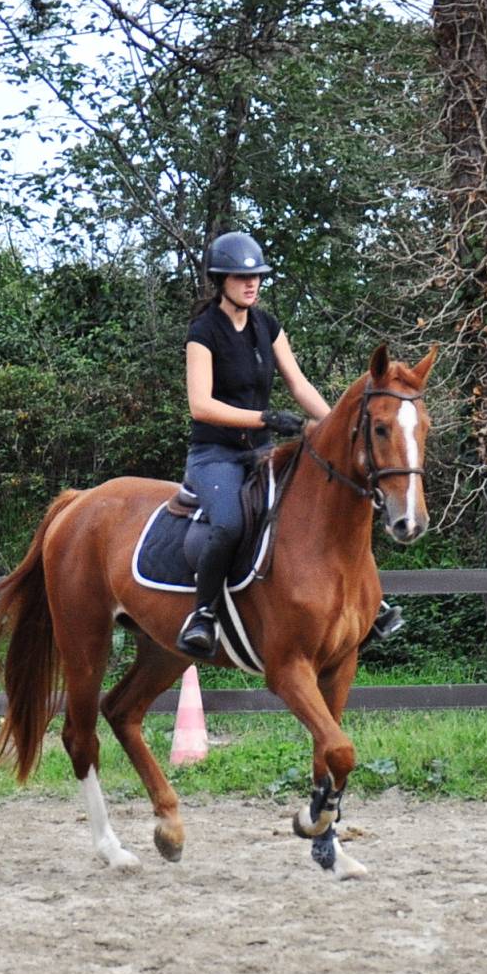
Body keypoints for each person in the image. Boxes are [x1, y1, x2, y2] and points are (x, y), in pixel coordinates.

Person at [176, 231, 401, 658]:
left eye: (257, 277)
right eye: (242, 278)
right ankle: (202, 613)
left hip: (262, 453)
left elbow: (297, 384)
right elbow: (200, 405)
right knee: (227, 524)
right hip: (216, 455)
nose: (252, 284)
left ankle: (366, 604)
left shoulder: (267, 326)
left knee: (328, 504)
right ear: (221, 280)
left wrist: (336, 425)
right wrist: (265, 417)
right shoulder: (203, 332)